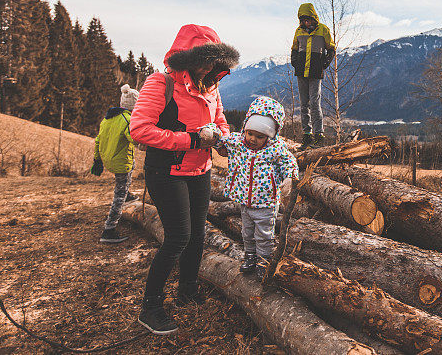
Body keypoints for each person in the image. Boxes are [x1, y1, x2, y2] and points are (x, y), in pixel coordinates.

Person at [130, 24, 238, 335]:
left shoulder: (211, 86)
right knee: (178, 236)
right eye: (202, 60)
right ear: (185, 56)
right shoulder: (160, 83)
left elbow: (220, 120)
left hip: (200, 170)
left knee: (197, 234)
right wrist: (189, 140)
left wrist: (222, 139)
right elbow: (139, 129)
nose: (207, 67)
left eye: (212, 61)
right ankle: (150, 307)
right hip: (166, 171)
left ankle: (187, 290)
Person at [218, 96, 298, 281]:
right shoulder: (239, 142)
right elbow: (220, 140)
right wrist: (210, 134)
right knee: (247, 232)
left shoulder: (275, 149)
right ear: (245, 128)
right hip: (245, 201)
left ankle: (264, 260)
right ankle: (250, 256)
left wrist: (289, 178)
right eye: (250, 133)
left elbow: (289, 162)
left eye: (260, 136)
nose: (253, 139)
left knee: (264, 234)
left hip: (266, 202)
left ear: (270, 135)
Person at [92, 84, 140, 244]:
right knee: (119, 195)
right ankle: (109, 229)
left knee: (126, 177)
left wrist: (97, 159)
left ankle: (127, 193)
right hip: (120, 163)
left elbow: (98, 139)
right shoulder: (128, 120)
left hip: (109, 159)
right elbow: (134, 139)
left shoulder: (108, 119)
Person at [290, 3, 336, 149]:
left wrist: (325, 63)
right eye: (302, 20)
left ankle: (319, 136)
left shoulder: (323, 30)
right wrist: (295, 62)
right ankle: (307, 136)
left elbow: (331, 49)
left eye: (307, 19)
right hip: (301, 72)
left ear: (313, 17)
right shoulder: (298, 31)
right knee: (304, 105)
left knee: (315, 104)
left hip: (316, 72)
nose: (305, 22)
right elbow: (294, 49)